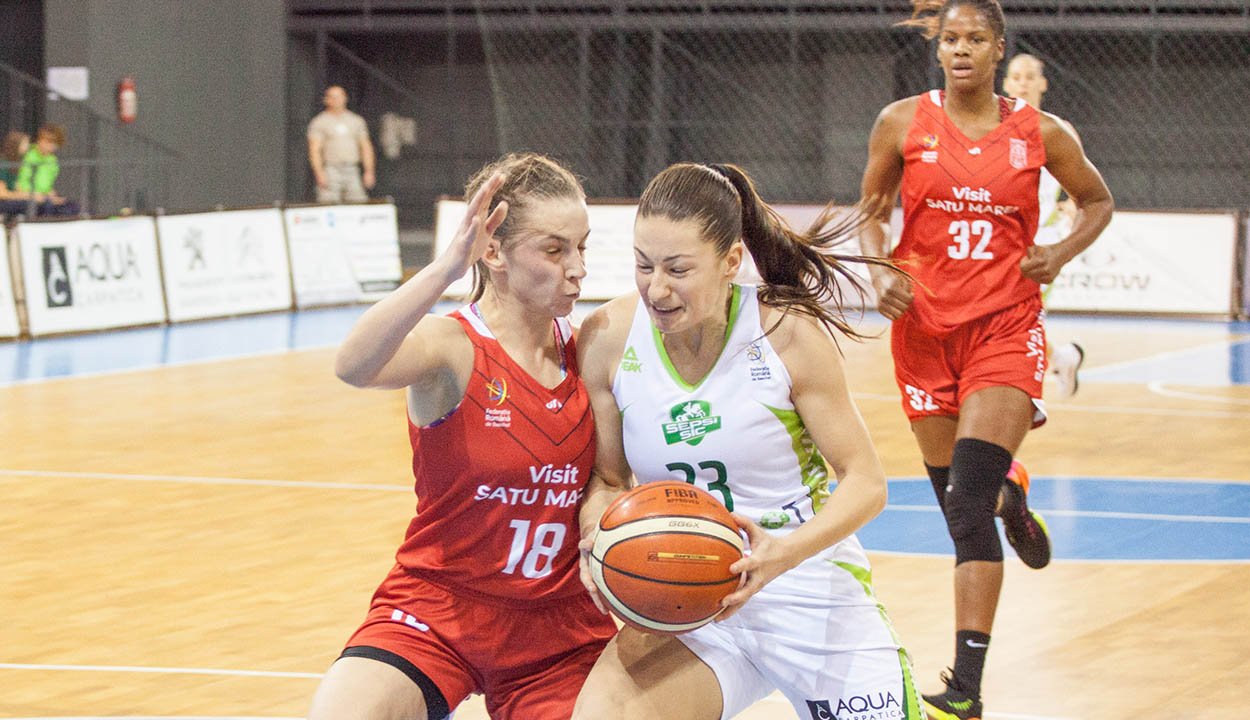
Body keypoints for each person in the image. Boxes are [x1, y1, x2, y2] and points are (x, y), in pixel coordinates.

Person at [571, 162, 920, 720]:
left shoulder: (786, 334)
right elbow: (609, 479)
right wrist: (598, 531)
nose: (656, 288)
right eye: (643, 265)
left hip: (806, 583)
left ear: (731, 261)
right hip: (687, 595)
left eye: (678, 269)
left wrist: (783, 554)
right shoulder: (609, 338)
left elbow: (866, 483)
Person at [857, 2, 1114, 718]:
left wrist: (1058, 253)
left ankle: (966, 687)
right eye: (951, 39)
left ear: (998, 48)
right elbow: (871, 209)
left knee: (965, 506)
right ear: (939, 48)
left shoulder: (1043, 132)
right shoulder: (900, 123)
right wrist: (879, 270)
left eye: (975, 38)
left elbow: (1097, 201)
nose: (961, 49)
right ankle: (1008, 494)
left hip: (1004, 326)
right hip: (923, 333)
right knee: (962, 501)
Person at [308, 152, 615, 720]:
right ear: (492, 252)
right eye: (554, 250)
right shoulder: (451, 348)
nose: (577, 269)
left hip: (559, 628)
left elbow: (615, 474)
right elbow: (352, 366)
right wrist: (446, 268)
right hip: (438, 608)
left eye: (582, 248)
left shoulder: (593, 350)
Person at [1003, 52, 1086, 399]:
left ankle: (1022, 397)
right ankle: (1062, 357)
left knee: (1020, 319)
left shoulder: (1058, 130)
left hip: (1040, 242)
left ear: (1043, 83)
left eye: (1029, 76)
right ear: (1006, 84)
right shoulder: (993, 129)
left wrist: (1072, 208)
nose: (1022, 83)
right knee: (1005, 320)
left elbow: (1084, 188)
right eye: (1016, 76)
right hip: (999, 239)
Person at [307, 85, 376, 203]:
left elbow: (365, 147)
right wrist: (319, 172)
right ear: (326, 100)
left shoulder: (356, 120)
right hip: (331, 169)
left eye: (339, 97)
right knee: (328, 202)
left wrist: (369, 171)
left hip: (352, 169)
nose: (336, 100)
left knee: (358, 202)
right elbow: (314, 150)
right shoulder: (320, 122)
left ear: (345, 98)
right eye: (332, 97)